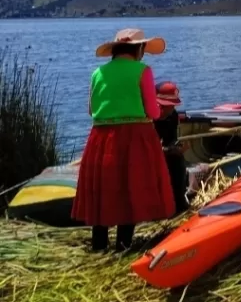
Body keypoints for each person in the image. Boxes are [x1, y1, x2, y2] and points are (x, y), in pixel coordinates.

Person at [71, 28, 176, 252]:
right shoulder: (142, 71)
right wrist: (154, 110)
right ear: (138, 49)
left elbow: (91, 110)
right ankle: (123, 245)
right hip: (134, 137)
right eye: (143, 49)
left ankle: (99, 246)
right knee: (130, 187)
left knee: (104, 189)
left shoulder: (97, 73)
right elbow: (153, 112)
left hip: (100, 138)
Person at [153, 80, 189, 216]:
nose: (168, 109)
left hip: (165, 153)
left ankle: (179, 202)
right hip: (148, 157)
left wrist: (176, 148)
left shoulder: (173, 116)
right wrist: (165, 150)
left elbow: (171, 139)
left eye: (171, 106)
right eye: (166, 106)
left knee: (178, 160)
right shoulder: (147, 117)